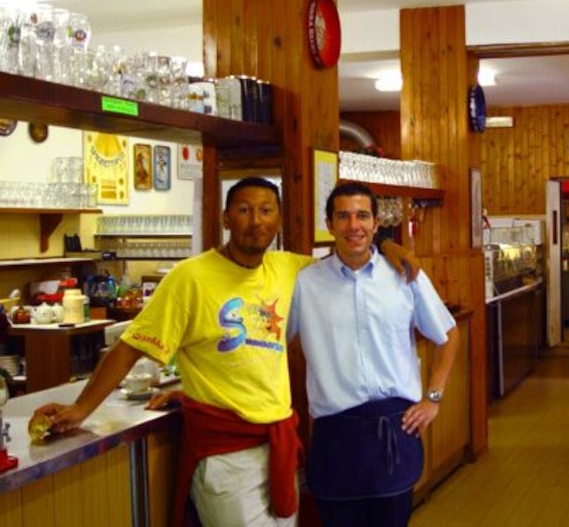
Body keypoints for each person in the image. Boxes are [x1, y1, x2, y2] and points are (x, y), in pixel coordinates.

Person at [29, 176, 420, 527]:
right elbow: (130, 346)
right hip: (226, 455)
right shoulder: (190, 277)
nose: (256, 221)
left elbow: (351, 253)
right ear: (226, 218)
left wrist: (387, 245)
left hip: (278, 448)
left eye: (266, 210)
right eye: (244, 210)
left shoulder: (291, 270)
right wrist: (81, 409)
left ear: (279, 220)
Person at [287, 181, 458, 527]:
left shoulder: (405, 275)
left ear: (377, 224)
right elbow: (272, 343)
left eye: (363, 216)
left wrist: (434, 397)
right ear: (329, 224)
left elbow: (448, 335)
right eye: (343, 216)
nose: (354, 225)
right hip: (335, 436)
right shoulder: (304, 283)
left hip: (394, 430)